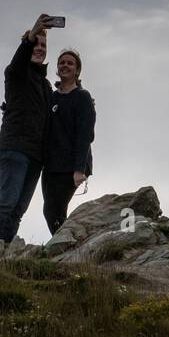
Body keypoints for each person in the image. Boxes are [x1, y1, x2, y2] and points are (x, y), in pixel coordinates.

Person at [0, 14, 53, 244]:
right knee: (7, 202)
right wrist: (31, 36)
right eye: (35, 43)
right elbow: (19, 59)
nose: (39, 48)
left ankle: (2, 252)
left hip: (35, 156)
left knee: (18, 210)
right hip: (14, 148)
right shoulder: (16, 73)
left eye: (43, 46)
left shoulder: (45, 85)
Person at [42, 47, 96, 236]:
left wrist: (79, 169)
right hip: (51, 165)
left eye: (70, 63)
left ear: (77, 71)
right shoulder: (52, 97)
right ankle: (69, 249)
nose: (65, 65)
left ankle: (67, 250)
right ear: (57, 68)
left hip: (71, 166)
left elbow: (85, 135)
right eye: (62, 62)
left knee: (52, 211)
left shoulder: (82, 97)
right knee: (52, 212)